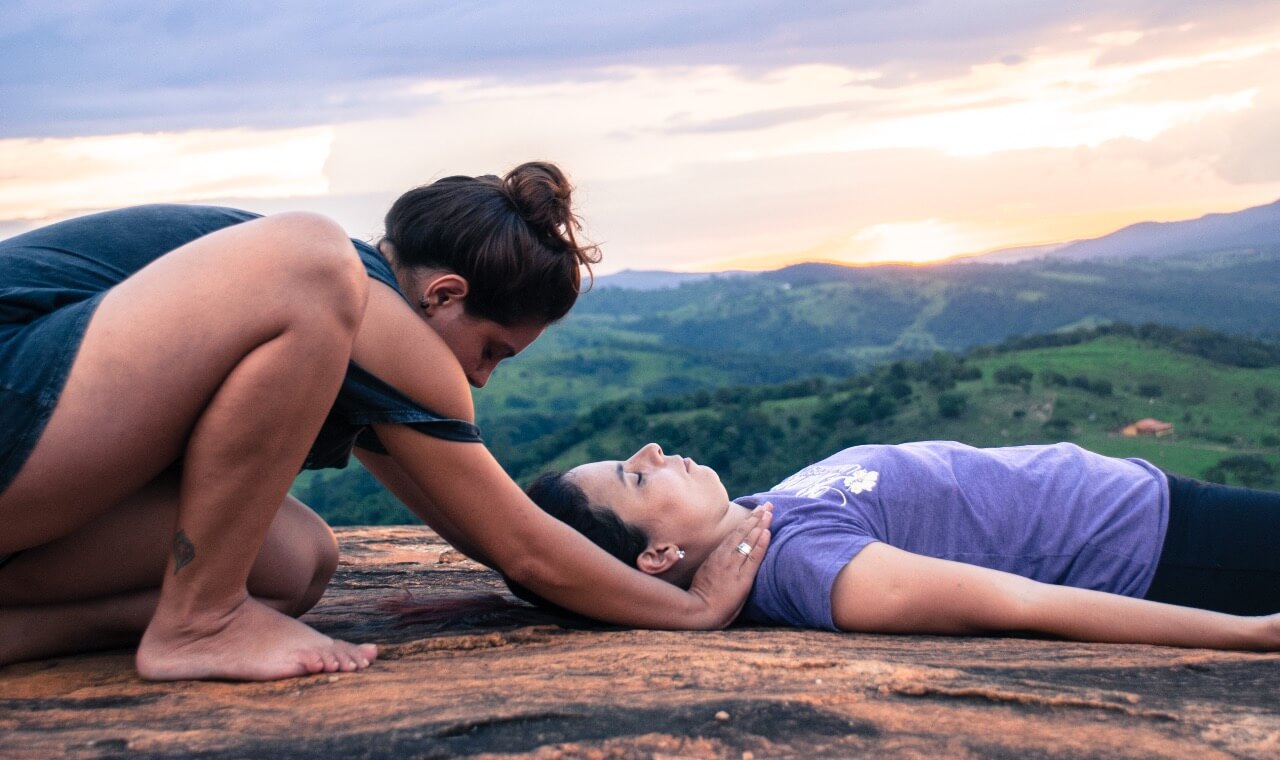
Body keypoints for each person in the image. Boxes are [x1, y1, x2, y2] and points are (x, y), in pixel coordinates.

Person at [0, 163, 771, 682]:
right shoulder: (352, 291)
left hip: (37, 476)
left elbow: (478, 527)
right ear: (442, 294)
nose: (477, 378)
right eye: (492, 350)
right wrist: (691, 610)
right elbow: (522, 548)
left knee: (294, 564)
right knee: (308, 253)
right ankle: (199, 620)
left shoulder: (354, 345)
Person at [526, 440, 1280, 649]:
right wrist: (1251, 633)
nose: (654, 450)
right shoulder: (800, 565)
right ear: (655, 556)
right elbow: (1019, 604)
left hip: (1142, 498)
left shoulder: (760, 518)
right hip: (1161, 545)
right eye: (634, 477)